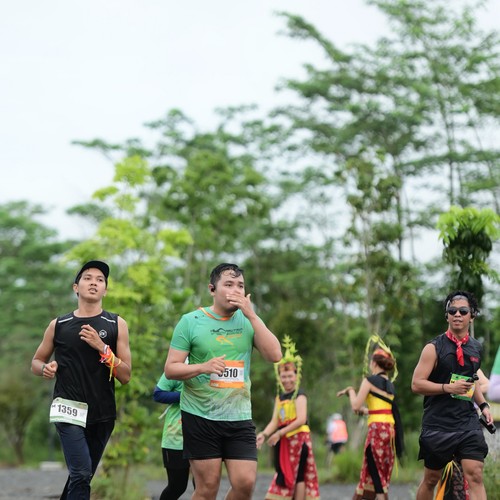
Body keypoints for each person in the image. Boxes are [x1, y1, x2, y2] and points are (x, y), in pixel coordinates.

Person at [164, 262, 282, 500]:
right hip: (200, 416)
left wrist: (252, 315)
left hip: (239, 416)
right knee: (207, 488)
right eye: (228, 284)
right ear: (212, 289)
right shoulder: (191, 321)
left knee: (245, 483)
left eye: (240, 285)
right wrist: (203, 367)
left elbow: (275, 355)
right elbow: (170, 369)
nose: (235, 290)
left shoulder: (248, 321)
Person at [31, 260, 132, 500]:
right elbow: (36, 361)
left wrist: (102, 347)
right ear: (76, 287)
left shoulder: (116, 324)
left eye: (100, 280)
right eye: (88, 278)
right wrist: (45, 368)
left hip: (102, 413)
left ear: (105, 290)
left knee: (82, 476)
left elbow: (125, 375)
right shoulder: (59, 325)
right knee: (81, 473)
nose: (94, 283)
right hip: (68, 408)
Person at [411, 290, 492, 500]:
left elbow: (472, 381)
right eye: (452, 310)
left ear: (471, 316)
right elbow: (416, 384)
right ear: (446, 315)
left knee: (475, 475)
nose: (457, 314)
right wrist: (447, 388)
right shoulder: (433, 348)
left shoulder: (475, 348)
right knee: (431, 479)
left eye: (463, 311)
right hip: (438, 423)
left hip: (467, 422)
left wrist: (483, 406)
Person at [256, 335, 320, 500]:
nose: (287, 380)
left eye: (290, 376)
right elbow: (275, 421)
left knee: (299, 475)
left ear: (296, 376)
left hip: (299, 440)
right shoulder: (280, 397)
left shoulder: (300, 395)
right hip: (285, 441)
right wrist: (264, 434)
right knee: (286, 474)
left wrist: (279, 433)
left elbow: (301, 419)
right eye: (284, 377)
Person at [337, 343, 403, 500]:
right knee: (380, 470)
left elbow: (355, 405)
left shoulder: (369, 381)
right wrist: (364, 411)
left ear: (373, 363)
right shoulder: (390, 385)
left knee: (375, 471)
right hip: (390, 430)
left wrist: (350, 391)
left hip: (377, 431)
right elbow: (380, 410)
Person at [153, 373, 192, 500]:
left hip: (205, 435)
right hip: (176, 437)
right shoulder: (178, 366)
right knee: (177, 486)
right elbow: (158, 394)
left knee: (203, 485)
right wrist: (187, 395)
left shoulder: (213, 367)